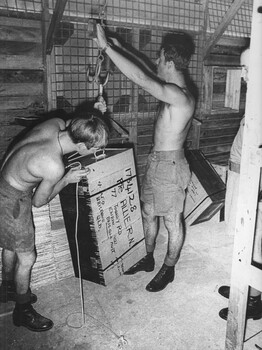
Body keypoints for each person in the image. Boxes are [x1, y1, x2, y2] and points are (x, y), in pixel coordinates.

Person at [95, 24, 195, 292]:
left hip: (170, 166)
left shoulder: (178, 95)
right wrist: (117, 46)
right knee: (148, 212)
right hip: (157, 161)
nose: (157, 63)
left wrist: (106, 48)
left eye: (160, 58)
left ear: (168, 59)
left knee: (173, 220)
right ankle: (148, 258)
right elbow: (146, 70)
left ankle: (169, 269)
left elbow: (141, 77)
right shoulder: (172, 85)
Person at [0, 102, 109, 332]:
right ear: (80, 145)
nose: (95, 152)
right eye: (93, 148)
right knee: (27, 257)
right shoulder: (53, 165)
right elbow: (39, 201)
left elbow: (74, 122)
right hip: (13, 201)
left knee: (10, 245)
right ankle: (22, 311)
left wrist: (95, 118)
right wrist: (67, 179)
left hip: (4, 182)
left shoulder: (56, 124)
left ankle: (7, 289)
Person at [218, 47, 262, 321]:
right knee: (244, 238)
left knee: (256, 241)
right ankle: (242, 286)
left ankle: (255, 300)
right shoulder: (256, 98)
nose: (242, 74)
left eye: (247, 68)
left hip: (254, 184)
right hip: (241, 178)